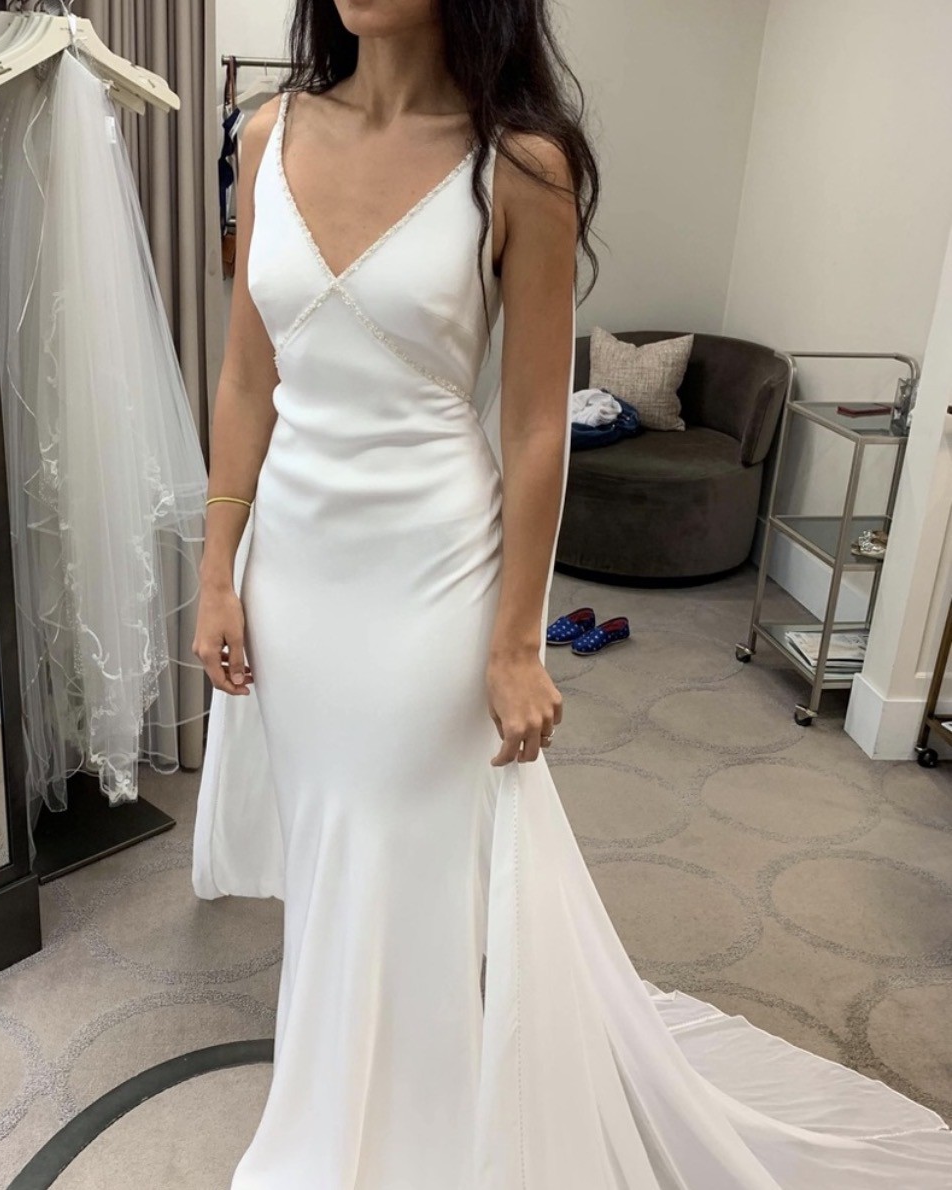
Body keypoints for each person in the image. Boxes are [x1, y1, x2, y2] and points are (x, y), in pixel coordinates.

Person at [192, 1, 952, 1186]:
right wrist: (215, 571)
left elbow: (539, 425)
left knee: (403, 861)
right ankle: (337, 1108)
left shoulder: (519, 163)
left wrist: (514, 643)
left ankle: (410, 1145)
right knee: (334, 855)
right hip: (292, 571)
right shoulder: (262, 133)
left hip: (430, 572)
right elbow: (247, 376)